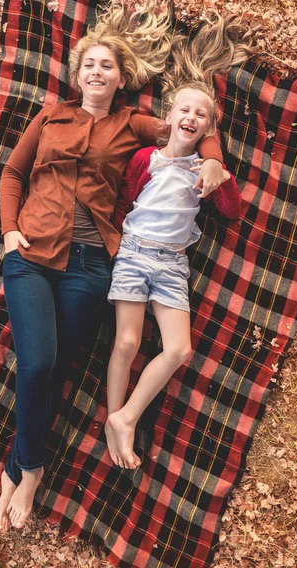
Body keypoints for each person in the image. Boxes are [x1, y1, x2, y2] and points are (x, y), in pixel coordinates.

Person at [0, 0, 229, 531]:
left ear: (121, 79)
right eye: (88, 65)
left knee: (59, 370)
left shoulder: (131, 124)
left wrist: (212, 155)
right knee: (35, 364)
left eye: (107, 66)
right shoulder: (50, 115)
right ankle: (29, 469)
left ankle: (14, 465)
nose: (96, 72)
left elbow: (184, 128)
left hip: (91, 265)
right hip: (30, 255)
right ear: (77, 76)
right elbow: (11, 173)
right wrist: (9, 231)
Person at [105, 81, 243, 470]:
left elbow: (231, 211)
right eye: (185, 110)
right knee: (127, 342)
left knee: (179, 349)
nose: (191, 118)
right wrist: (116, 244)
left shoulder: (204, 170)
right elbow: (125, 201)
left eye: (200, 115)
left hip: (172, 264)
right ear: (170, 116)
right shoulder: (146, 158)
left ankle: (126, 416)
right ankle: (114, 421)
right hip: (134, 252)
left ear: (207, 130)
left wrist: (223, 176)